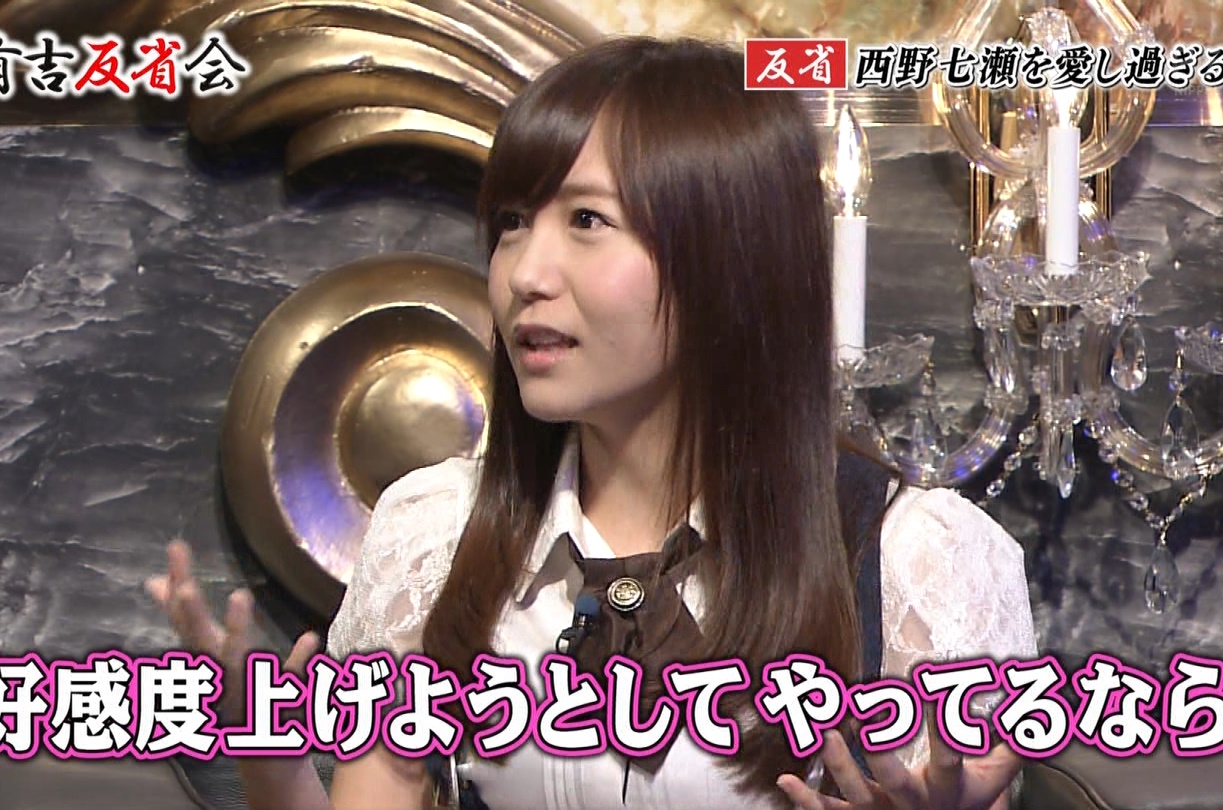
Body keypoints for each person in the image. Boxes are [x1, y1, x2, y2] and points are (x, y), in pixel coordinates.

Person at [150, 36, 1037, 810]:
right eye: (510, 223)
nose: (525, 274)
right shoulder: (434, 535)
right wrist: (268, 762)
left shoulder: (916, 559)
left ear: (728, 257)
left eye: (585, 220)